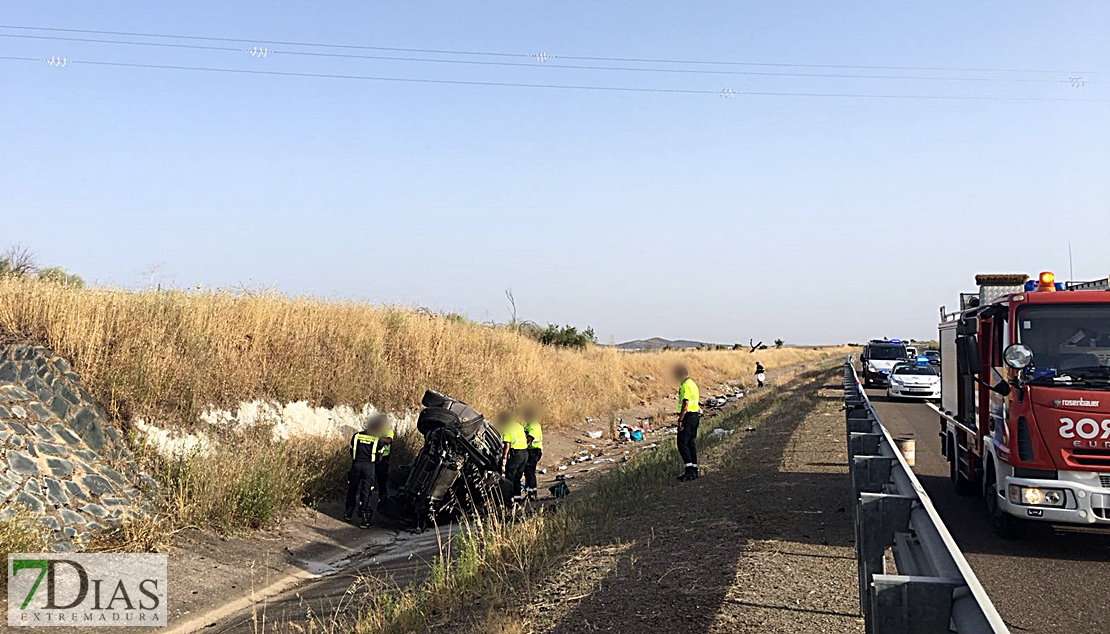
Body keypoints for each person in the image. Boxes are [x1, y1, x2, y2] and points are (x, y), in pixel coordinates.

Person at [345, 416, 382, 528]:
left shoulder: (356, 436)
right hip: (369, 466)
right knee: (366, 491)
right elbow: (379, 456)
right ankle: (364, 518)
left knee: (352, 488)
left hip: (356, 464)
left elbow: (352, 450)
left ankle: (348, 513)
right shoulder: (377, 439)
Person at [674, 364, 701, 481]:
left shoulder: (685, 385)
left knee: (682, 443)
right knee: (691, 442)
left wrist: (680, 419)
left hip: (688, 416)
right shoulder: (693, 384)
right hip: (695, 415)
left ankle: (689, 470)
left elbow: (685, 403)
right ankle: (694, 469)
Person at [497, 410, 529, 500]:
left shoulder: (507, 428)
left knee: (510, 477)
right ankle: (517, 498)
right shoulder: (519, 426)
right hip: (525, 454)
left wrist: (504, 458)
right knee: (517, 478)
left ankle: (508, 499)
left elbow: (507, 445)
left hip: (516, 454)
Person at [369, 414, 394, 503]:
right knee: (370, 479)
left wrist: (377, 438)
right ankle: (367, 498)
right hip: (373, 457)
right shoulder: (374, 430)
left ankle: (382, 499)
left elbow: (388, 441)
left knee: (382, 480)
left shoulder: (388, 431)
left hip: (384, 458)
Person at [521, 404, 543, 501]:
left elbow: (529, 439)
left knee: (530, 472)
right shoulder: (528, 425)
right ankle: (529, 492)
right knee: (527, 472)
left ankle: (533, 493)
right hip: (530, 451)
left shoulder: (534, 426)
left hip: (533, 451)